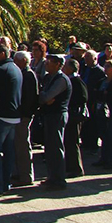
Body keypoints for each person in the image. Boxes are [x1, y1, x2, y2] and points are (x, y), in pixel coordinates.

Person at [0, 44, 22, 195]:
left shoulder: (1, 70)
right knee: (8, 151)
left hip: (1, 114)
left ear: (2, 53)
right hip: (13, 115)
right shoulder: (16, 68)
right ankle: (5, 183)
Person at [38, 54, 72, 190]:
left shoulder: (61, 80)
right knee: (50, 147)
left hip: (57, 115)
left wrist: (45, 97)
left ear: (58, 64)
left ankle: (59, 179)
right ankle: (52, 176)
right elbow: (42, 94)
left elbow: (46, 96)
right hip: (49, 114)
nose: (46, 64)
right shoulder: (48, 77)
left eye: (49, 62)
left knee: (56, 147)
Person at [92, 60, 112, 169]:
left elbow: (111, 95)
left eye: (108, 66)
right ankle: (104, 158)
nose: (105, 68)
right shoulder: (102, 81)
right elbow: (95, 93)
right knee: (103, 136)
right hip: (101, 110)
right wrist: (102, 93)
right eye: (105, 66)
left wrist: (103, 94)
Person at [13, 51, 38, 187]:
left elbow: (29, 98)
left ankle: (26, 175)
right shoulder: (24, 74)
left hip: (24, 116)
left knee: (23, 145)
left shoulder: (28, 75)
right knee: (18, 145)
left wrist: (25, 114)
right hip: (21, 115)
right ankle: (20, 172)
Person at [63, 58, 88, 178]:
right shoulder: (70, 80)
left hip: (75, 116)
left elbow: (83, 97)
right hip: (70, 114)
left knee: (73, 142)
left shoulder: (77, 81)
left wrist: (71, 103)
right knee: (68, 141)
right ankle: (69, 166)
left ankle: (76, 168)